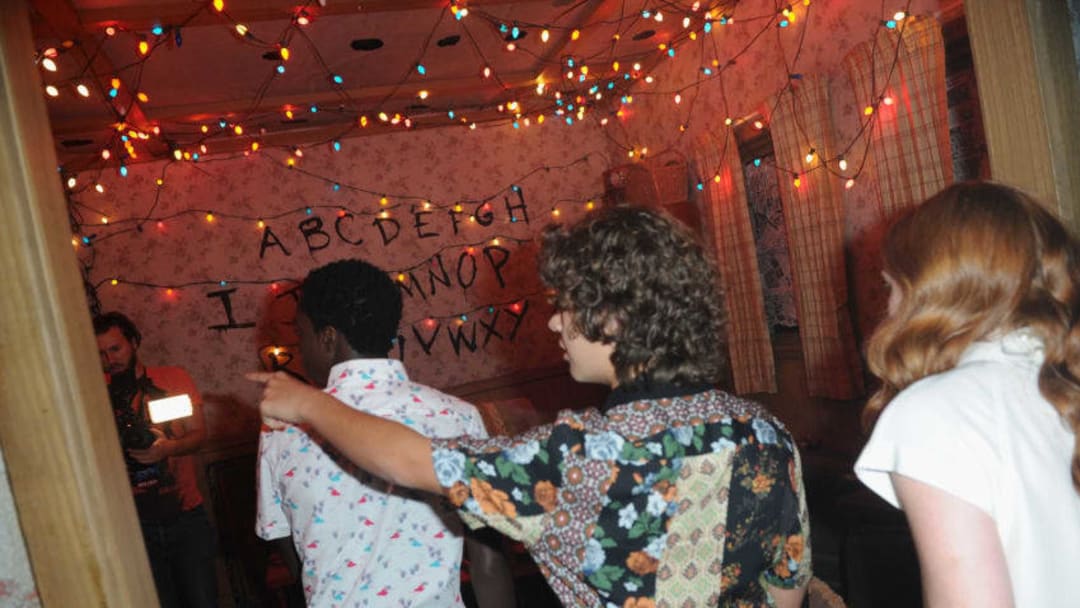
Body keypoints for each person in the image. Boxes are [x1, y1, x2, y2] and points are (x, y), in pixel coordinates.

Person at [249, 206, 812, 607]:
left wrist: (308, 404)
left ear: (615, 318)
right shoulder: (765, 432)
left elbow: (412, 462)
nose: (553, 322)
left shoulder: (580, 457)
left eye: (566, 305)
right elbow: (787, 585)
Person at [854, 181, 1080, 607]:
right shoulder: (1062, 381)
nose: (888, 307)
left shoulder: (935, 412)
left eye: (892, 286)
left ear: (933, 292)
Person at [254, 259, 514, 607]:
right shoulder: (459, 417)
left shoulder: (282, 432)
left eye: (301, 336)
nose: (299, 351)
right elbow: (489, 561)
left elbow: (296, 561)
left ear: (328, 338)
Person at [93, 312, 218, 608]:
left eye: (115, 349)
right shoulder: (94, 393)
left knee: (203, 600)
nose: (110, 359)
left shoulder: (172, 379)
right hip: (132, 523)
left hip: (185, 513)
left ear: (133, 342)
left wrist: (166, 449)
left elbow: (199, 436)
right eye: (100, 353)